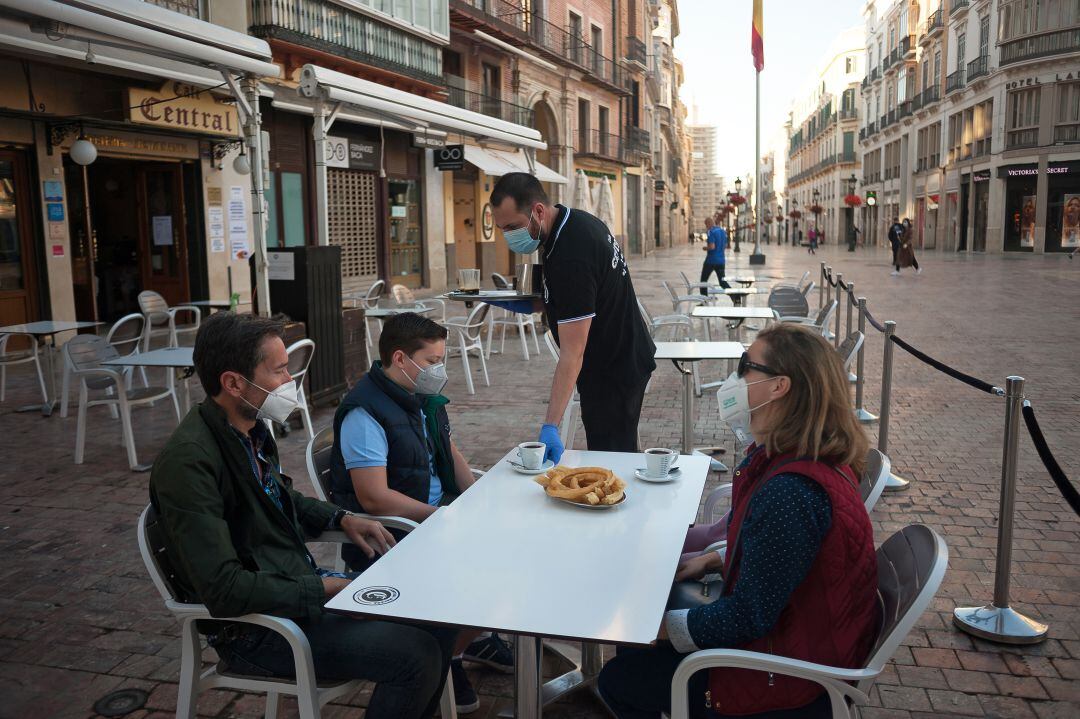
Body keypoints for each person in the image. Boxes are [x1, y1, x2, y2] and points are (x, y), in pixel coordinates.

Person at [149, 312, 457, 719]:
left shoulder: (248, 429)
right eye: (279, 371)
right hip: (258, 629)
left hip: (294, 591)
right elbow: (224, 589)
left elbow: (282, 496)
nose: (289, 383)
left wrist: (342, 518)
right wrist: (324, 588)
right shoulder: (190, 463)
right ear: (233, 382)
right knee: (414, 655)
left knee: (438, 617)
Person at [597, 324, 879, 719]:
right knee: (645, 628)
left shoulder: (791, 491)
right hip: (804, 642)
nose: (736, 377)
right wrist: (714, 559)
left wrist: (652, 631)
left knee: (619, 678)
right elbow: (790, 558)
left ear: (780, 386)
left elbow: (747, 617)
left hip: (784, 679)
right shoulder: (807, 457)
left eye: (746, 366)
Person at [327, 312, 512, 714]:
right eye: (431, 362)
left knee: (516, 549)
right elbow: (374, 498)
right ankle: (451, 655)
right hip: (396, 534)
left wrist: (481, 497)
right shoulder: (365, 412)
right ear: (399, 358)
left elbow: (449, 451)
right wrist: (441, 517)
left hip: (431, 515)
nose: (438, 371)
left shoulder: (419, 398)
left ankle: (457, 649)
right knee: (498, 572)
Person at [489, 172, 656, 461]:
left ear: (538, 211)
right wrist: (534, 303)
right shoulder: (570, 222)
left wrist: (550, 425)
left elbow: (572, 353)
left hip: (614, 369)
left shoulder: (571, 253)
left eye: (513, 226)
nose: (509, 236)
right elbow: (576, 298)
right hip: (619, 356)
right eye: (502, 229)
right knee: (618, 454)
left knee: (613, 460)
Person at [699, 217, 732, 296]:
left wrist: (705, 248)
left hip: (711, 261)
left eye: (706, 225)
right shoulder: (722, 231)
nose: (706, 227)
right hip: (721, 261)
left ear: (708, 224)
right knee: (722, 282)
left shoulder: (711, 232)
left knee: (703, 281)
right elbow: (725, 245)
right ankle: (734, 295)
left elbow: (712, 247)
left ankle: (704, 301)